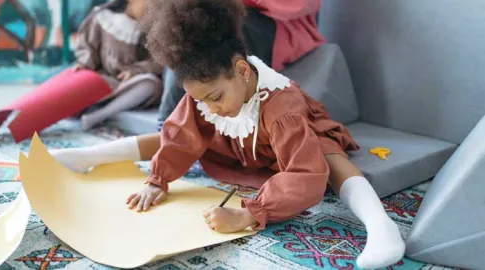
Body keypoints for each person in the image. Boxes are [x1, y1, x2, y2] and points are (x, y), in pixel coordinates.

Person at [50, 0, 405, 269]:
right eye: (200, 98)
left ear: (242, 71)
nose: (211, 107)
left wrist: (252, 212)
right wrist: (157, 181)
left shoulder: (282, 108)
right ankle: (90, 156)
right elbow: (178, 135)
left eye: (215, 96)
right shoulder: (211, 99)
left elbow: (306, 176)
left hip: (288, 138)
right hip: (246, 144)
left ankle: (381, 227)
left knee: (326, 155)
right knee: (186, 131)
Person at [156, 0, 324, 127]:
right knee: (185, 24)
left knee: (218, 23)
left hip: (277, 25)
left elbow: (301, 4)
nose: (212, 109)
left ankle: (171, 128)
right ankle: (167, 127)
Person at [73, 0, 163, 130]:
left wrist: (136, 70)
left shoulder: (150, 28)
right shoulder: (102, 17)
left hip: (128, 84)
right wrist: (84, 64)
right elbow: (87, 47)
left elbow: (157, 60)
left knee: (152, 85)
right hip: (103, 79)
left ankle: (99, 116)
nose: (153, 7)